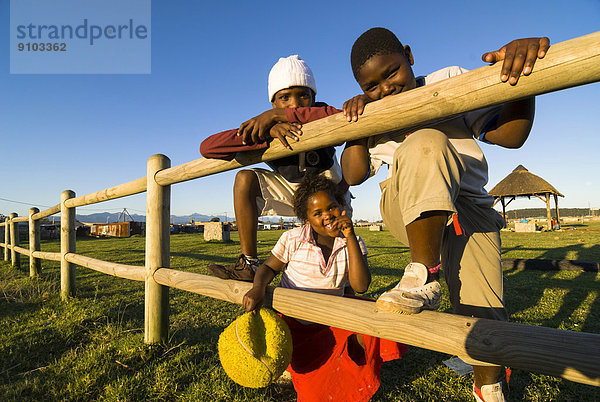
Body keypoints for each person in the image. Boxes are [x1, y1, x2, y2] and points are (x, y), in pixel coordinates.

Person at [275, 28, 550, 401]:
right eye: (372, 86)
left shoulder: (447, 80)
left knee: (485, 317)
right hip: (408, 209)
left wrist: (522, 82)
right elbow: (354, 174)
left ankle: (488, 387)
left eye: (391, 73)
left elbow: (511, 136)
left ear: (409, 55)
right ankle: (423, 272)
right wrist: (358, 127)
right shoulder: (375, 109)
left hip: (469, 208)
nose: (385, 88)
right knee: (424, 141)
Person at [242, 173, 407, 402]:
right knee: (313, 388)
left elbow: (360, 286)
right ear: (306, 218)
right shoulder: (293, 239)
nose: (327, 216)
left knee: (375, 319)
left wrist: (349, 237)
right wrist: (258, 287)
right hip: (294, 324)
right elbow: (269, 267)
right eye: (317, 213)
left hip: (330, 319)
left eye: (331, 207)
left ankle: (350, 374)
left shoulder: (353, 242)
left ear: (341, 206)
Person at [200, 55, 350, 281]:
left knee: (339, 273)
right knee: (244, 178)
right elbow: (208, 147)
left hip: (331, 195)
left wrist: (279, 115)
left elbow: (342, 118)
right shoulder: (267, 126)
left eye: (303, 96)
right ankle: (249, 264)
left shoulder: (321, 114)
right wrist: (267, 132)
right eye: (284, 99)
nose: (295, 104)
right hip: (292, 191)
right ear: (273, 101)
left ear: (314, 97)